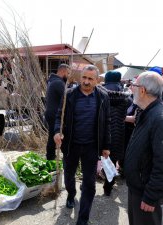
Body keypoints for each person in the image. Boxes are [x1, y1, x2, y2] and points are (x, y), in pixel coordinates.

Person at [54, 65, 111, 225]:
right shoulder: (69, 95)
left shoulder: (103, 97)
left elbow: (107, 122)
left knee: (89, 183)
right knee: (69, 175)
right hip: (71, 144)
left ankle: (83, 219)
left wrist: (106, 145)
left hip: (91, 147)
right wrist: (56, 132)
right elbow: (59, 116)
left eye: (90, 79)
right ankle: (71, 194)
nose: (85, 81)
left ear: (97, 80)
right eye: (84, 77)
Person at [124, 71, 163, 225]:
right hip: (138, 187)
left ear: (142, 90)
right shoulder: (147, 112)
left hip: (146, 192)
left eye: (133, 86)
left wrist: (151, 196)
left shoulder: (161, 119)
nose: (131, 89)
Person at [102, 70, 130, 196]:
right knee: (112, 161)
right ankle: (108, 188)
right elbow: (125, 115)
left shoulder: (99, 93)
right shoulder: (125, 96)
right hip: (118, 132)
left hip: (100, 132)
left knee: (93, 159)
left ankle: (87, 184)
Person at [44, 63, 70, 160]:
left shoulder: (52, 81)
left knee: (52, 136)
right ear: (63, 71)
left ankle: (50, 156)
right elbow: (67, 97)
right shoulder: (59, 83)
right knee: (54, 136)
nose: (69, 76)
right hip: (54, 114)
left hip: (50, 112)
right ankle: (51, 157)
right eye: (68, 73)